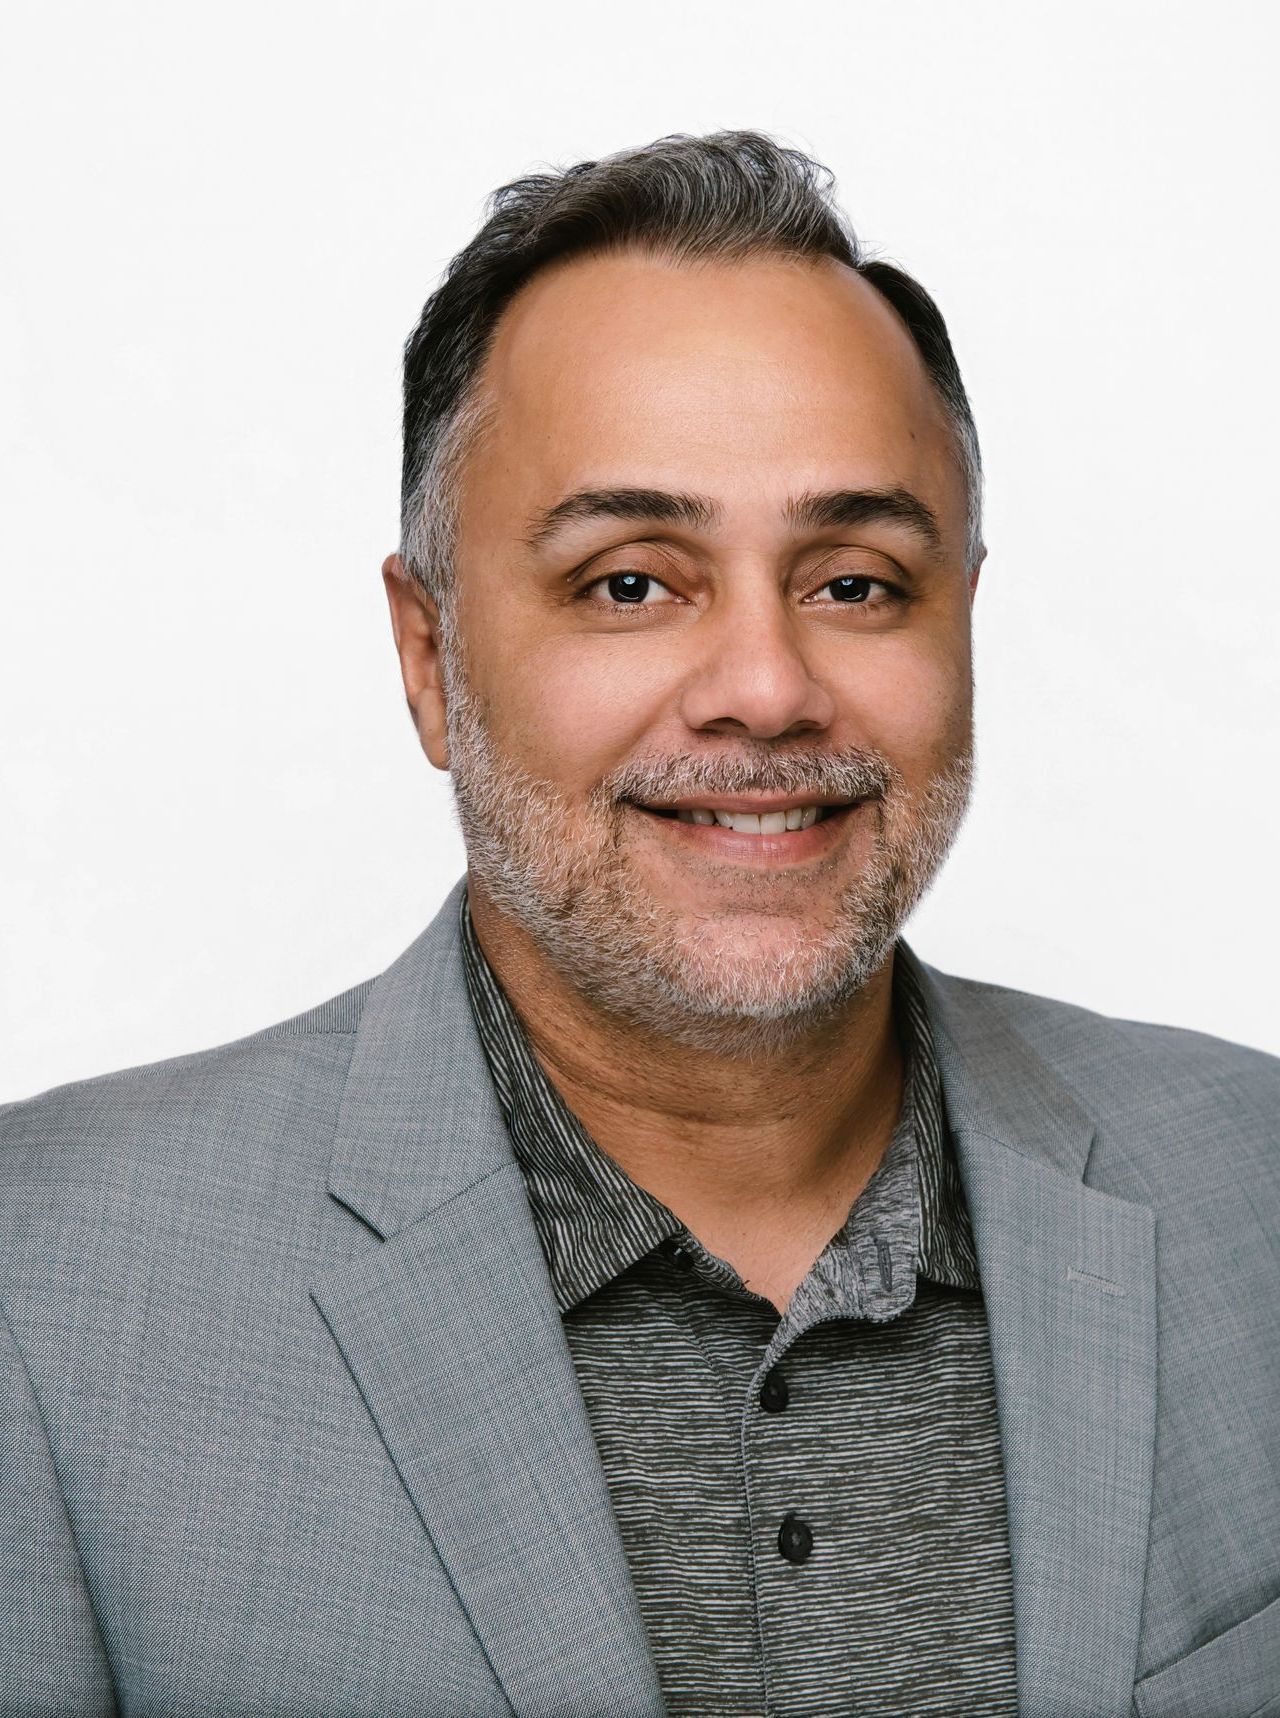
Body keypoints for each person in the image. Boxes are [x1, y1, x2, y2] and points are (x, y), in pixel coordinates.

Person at [0, 130, 1275, 1718]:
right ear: (429, 660)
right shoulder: (44, 1284)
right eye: (629, 582)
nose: (766, 686)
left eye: (856, 582)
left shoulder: (1255, 1184)